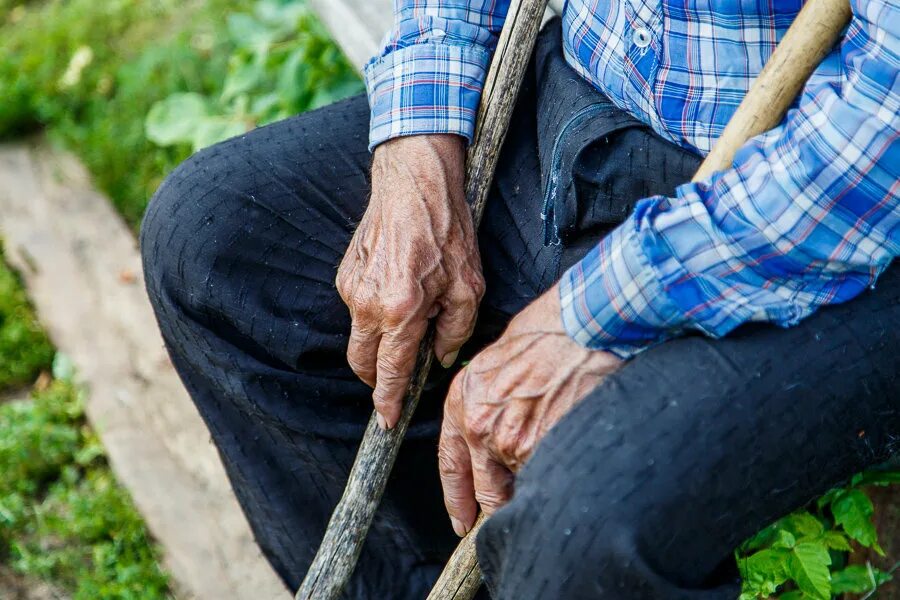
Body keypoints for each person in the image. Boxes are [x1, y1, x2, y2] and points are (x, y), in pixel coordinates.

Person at [140, 0, 899, 596]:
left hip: (826, 222)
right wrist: (418, 144)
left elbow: (874, 147)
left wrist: (595, 313)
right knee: (214, 246)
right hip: (580, 111)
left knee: (583, 523)